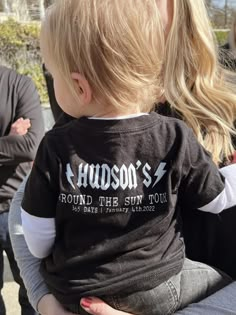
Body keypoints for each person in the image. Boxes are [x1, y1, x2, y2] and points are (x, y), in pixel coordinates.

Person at [9, 0, 236, 314]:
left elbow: (36, 231)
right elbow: (23, 212)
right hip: (154, 287)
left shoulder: (67, 134)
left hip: (77, 290)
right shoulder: (79, 121)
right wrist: (46, 302)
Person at [0, 65, 44, 315]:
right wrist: (10, 139)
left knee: (32, 292)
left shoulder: (19, 85)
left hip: (18, 208)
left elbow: (30, 146)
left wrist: (19, 140)